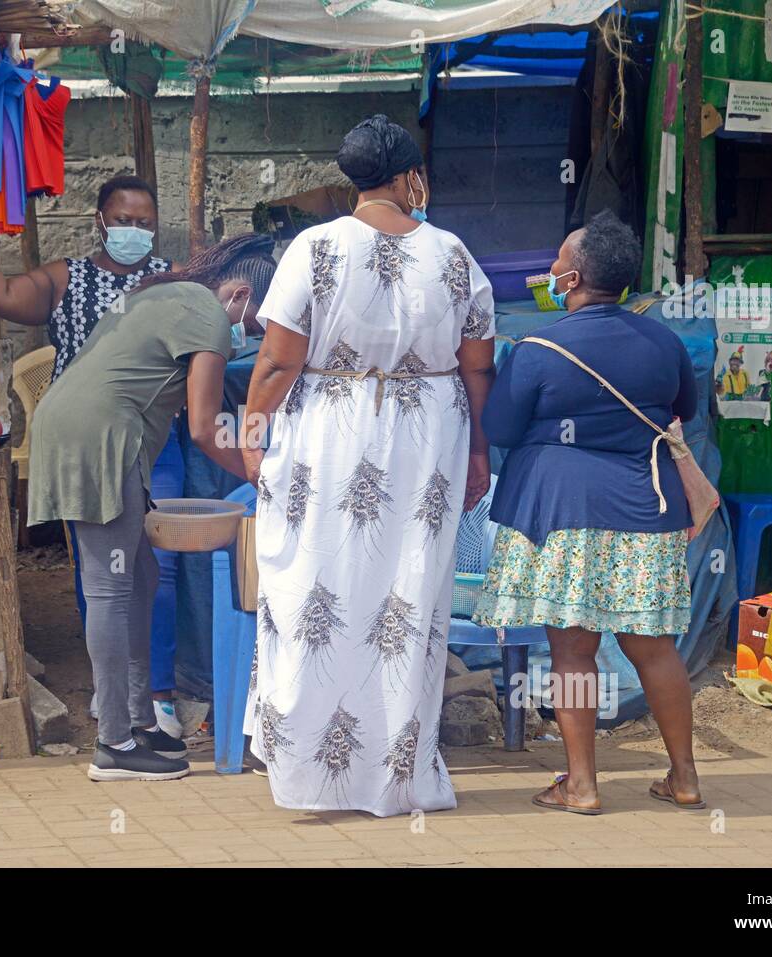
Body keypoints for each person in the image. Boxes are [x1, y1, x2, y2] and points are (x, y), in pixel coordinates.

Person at [239, 114, 496, 817]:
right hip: (428, 437)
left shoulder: (313, 248)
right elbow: (480, 368)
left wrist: (253, 432)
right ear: (411, 177)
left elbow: (278, 359)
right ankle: (399, 774)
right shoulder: (452, 255)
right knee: (408, 598)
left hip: (329, 432)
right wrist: (476, 446)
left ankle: (309, 769)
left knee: (315, 587)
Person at [473, 210, 702, 815]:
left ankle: (581, 785)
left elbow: (499, 427)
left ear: (572, 278)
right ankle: (683, 777)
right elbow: (686, 409)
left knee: (572, 652)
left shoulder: (538, 349)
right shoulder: (665, 342)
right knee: (654, 646)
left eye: (556, 262)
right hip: (646, 505)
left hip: (561, 514)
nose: (548, 271)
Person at [28, 234, 276, 782]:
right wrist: (264, 474)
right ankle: (112, 743)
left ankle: (140, 724)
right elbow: (207, 428)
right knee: (111, 586)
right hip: (98, 437)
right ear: (237, 295)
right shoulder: (208, 315)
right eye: (255, 323)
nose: (252, 336)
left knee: (137, 576)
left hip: (92, 430)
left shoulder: (167, 294)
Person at [0, 176, 186, 738]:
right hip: (90, 444)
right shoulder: (66, 278)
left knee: (162, 567)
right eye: (124, 219)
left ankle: (157, 696)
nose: (136, 230)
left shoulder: (171, 280)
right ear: (100, 221)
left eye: (146, 221)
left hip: (157, 439)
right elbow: (3, 297)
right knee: (101, 571)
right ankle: (113, 702)